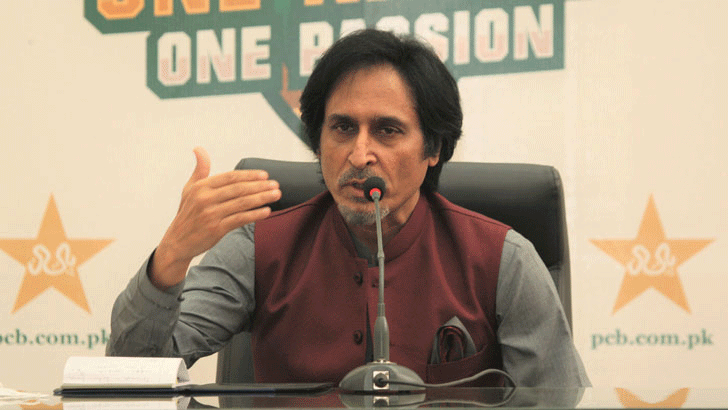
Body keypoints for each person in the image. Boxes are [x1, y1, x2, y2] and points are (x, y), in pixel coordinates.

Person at [107, 28, 590, 387]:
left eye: (387, 130)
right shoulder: (258, 247)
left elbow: (558, 403)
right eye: (341, 128)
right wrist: (171, 258)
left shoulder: (504, 259)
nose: (359, 156)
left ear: (434, 148)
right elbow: (129, 376)